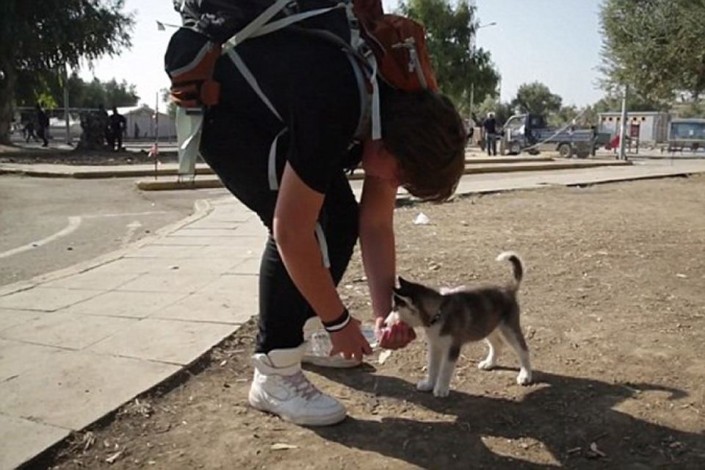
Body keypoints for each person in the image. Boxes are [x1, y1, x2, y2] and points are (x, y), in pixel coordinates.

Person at [174, 5, 466, 427]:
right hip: (232, 116)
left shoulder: (398, 111)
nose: (394, 184)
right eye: (401, 176)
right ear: (390, 145)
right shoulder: (340, 100)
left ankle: (309, 333)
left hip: (286, 113)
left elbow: (375, 225)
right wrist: (339, 320)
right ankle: (274, 371)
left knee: (340, 219)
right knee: (311, 225)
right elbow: (291, 232)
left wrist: (387, 313)